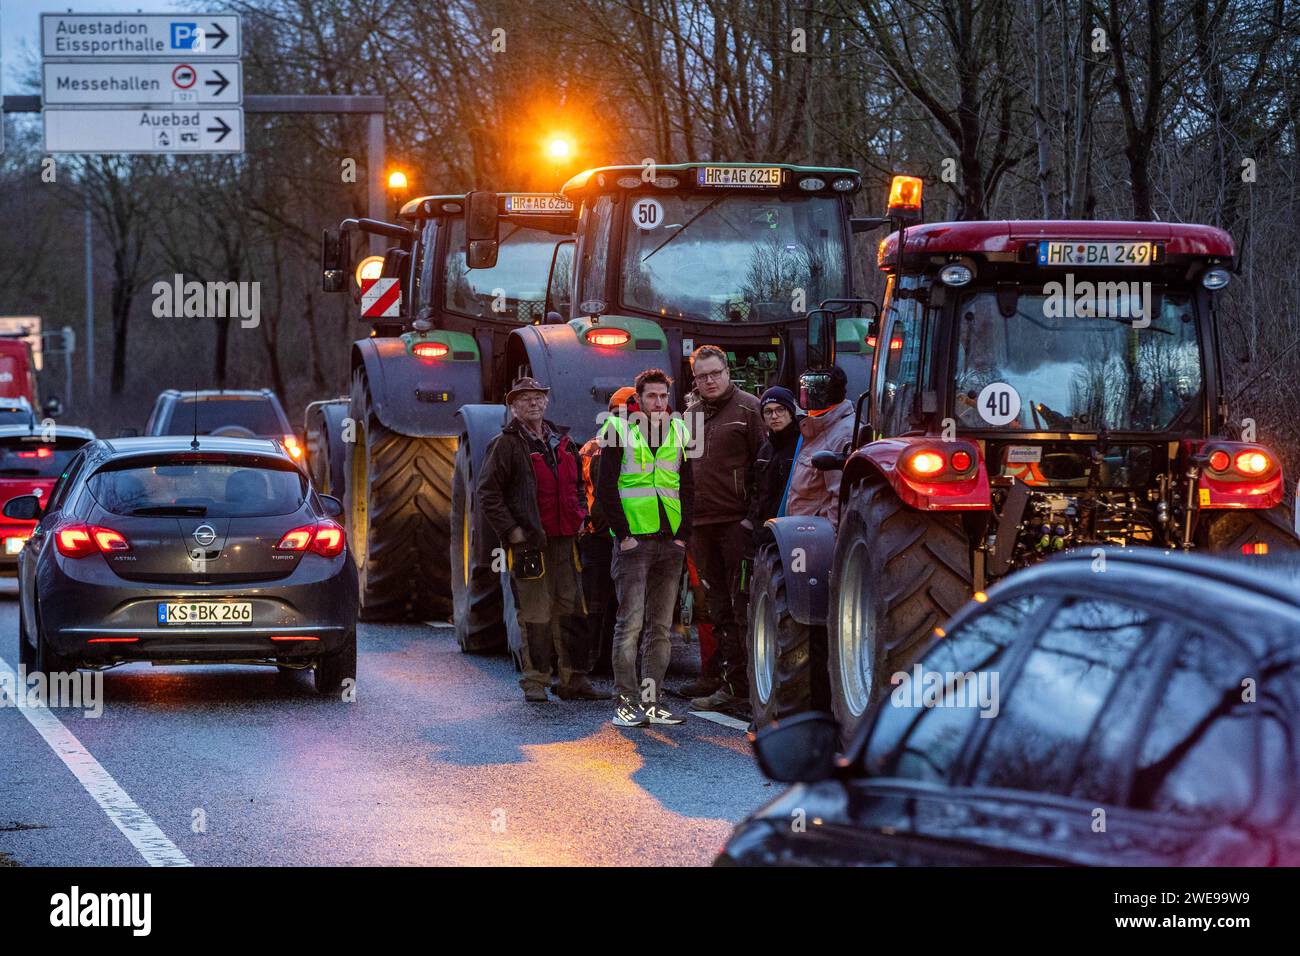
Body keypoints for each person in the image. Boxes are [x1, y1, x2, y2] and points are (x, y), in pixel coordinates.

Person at [477, 377, 608, 703]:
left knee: (572, 610)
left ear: (546, 402)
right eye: (525, 399)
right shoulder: (505, 445)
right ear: (514, 407)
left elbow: (579, 483)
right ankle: (535, 682)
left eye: (538, 398)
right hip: (528, 545)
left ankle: (573, 680)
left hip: (566, 542)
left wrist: (580, 516)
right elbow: (488, 493)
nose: (533, 403)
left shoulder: (562, 442)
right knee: (535, 613)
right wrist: (511, 531)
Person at [596, 368, 693, 727]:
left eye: (664, 396)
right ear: (638, 398)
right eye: (652, 396)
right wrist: (624, 535)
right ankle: (626, 703)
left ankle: (652, 702)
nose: (658, 402)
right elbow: (606, 488)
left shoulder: (680, 430)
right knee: (630, 625)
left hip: (669, 542)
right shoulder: (617, 430)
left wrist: (683, 534)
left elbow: (687, 486)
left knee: (660, 629)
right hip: (634, 542)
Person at [682, 345, 765, 716]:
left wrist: (752, 517)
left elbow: (765, 466)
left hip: (736, 523)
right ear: (694, 379)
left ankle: (746, 689)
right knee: (714, 605)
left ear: (727, 372)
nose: (709, 381)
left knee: (740, 602)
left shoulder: (750, 409)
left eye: (715, 373)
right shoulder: (691, 414)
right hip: (701, 524)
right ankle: (724, 680)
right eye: (702, 376)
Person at [577, 386, 638, 674]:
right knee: (611, 600)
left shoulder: (590, 446)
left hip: (602, 533)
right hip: (609, 534)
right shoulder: (621, 447)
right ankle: (600, 660)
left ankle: (595, 659)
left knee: (600, 599)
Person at [786, 366, 856, 528]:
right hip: (801, 529)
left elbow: (840, 499)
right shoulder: (817, 425)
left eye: (809, 391)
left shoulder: (844, 435)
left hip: (816, 536)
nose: (804, 395)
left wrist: (829, 542)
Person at [743, 386, 803, 534]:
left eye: (780, 409)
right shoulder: (765, 450)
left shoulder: (803, 445)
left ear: (791, 412)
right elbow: (757, 489)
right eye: (768, 411)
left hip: (793, 528)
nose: (774, 416)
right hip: (765, 530)